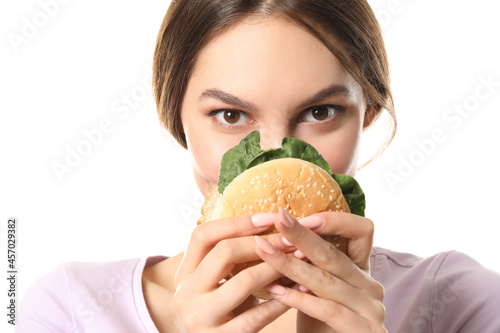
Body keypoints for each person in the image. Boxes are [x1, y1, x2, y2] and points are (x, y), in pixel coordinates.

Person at [18, 0, 500, 332]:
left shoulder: (457, 304)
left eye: (320, 112)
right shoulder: (68, 310)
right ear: (175, 121)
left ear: (367, 113)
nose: (274, 158)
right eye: (230, 116)